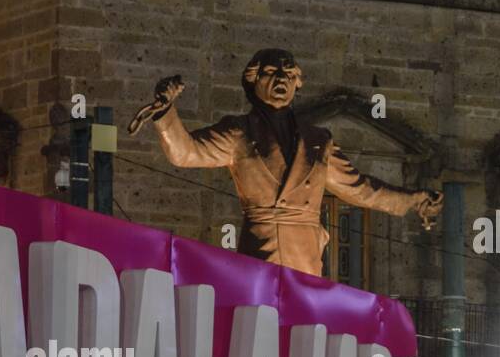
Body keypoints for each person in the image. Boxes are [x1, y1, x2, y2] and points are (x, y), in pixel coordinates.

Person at [143, 48, 443, 277]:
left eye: (288, 74)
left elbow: (360, 189)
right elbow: (185, 153)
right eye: (271, 72)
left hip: (306, 256)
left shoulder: (318, 139)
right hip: (262, 252)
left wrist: (413, 200)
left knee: (302, 331)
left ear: (297, 83)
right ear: (253, 81)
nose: (281, 79)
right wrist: (166, 112)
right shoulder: (238, 131)